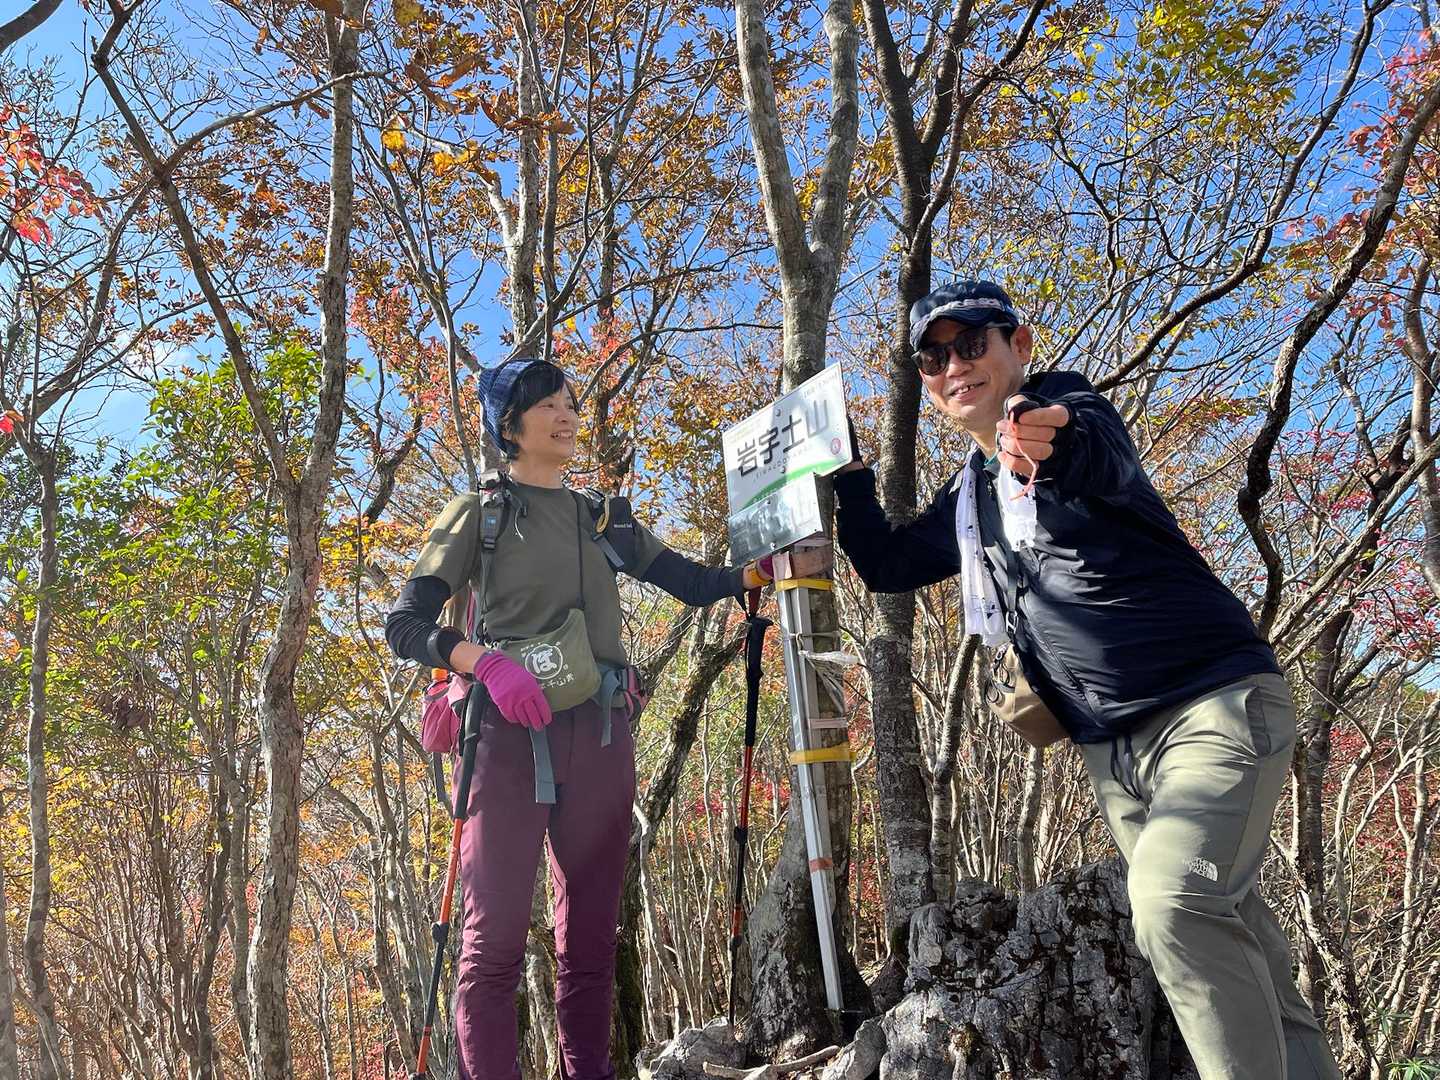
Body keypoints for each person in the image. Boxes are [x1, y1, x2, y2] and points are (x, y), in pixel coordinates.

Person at [832, 280, 1340, 1080]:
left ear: (1019, 346)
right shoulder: (971, 495)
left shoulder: (1063, 408)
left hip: (1210, 709)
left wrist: (1047, 432)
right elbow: (889, 566)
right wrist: (850, 481)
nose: (953, 366)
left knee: (1175, 907)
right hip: (1111, 751)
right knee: (1231, 933)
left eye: (972, 344)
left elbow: (1089, 441)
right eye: (933, 358)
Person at [385, 357, 826, 1080]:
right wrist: (483, 663)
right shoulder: (477, 514)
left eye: (570, 401)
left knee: (590, 942)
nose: (567, 414)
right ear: (509, 425)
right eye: (547, 404)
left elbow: (687, 581)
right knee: (492, 946)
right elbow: (404, 624)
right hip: (505, 740)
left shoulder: (600, 517)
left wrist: (759, 574)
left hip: (600, 734)